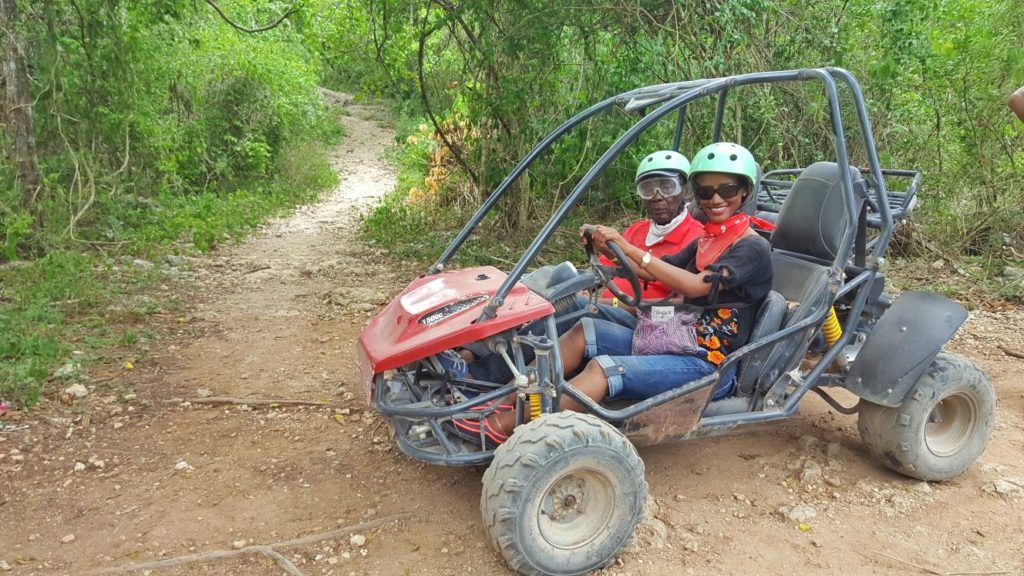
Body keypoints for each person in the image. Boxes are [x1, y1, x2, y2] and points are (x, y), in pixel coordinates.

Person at [451, 142, 774, 447]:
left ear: (744, 190)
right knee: (582, 331)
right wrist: (612, 250)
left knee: (603, 368)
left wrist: (631, 248)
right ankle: (502, 401)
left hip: (710, 364)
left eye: (727, 190)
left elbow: (695, 285)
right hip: (676, 336)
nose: (716, 199)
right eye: (706, 191)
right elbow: (653, 269)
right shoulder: (705, 240)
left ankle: (510, 428)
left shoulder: (751, 247)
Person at [436, 149, 704, 381]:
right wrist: (589, 275)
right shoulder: (636, 230)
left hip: (641, 320)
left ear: (684, 191)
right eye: (648, 189)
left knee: (570, 306)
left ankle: (481, 376)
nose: (657, 197)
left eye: (667, 187)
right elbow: (603, 270)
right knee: (539, 284)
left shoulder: (695, 238)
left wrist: (608, 303)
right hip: (604, 303)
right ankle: (471, 350)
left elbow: (677, 308)